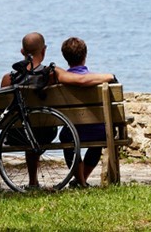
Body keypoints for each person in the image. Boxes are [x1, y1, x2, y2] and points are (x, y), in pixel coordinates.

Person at [0, 32, 115, 187]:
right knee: (37, 127)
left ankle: (33, 182)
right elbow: (80, 79)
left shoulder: (8, 78)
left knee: (27, 126)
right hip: (44, 133)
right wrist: (109, 76)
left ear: (22, 51)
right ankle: (80, 181)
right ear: (44, 50)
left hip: (16, 134)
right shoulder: (51, 74)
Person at [59, 37, 108, 188]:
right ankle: (81, 181)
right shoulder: (99, 80)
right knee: (99, 136)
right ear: (85, 55)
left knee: (66, 139)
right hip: (97, 131)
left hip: (73, 131)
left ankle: (80, 181)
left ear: (65, 57)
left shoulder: (61, 82)